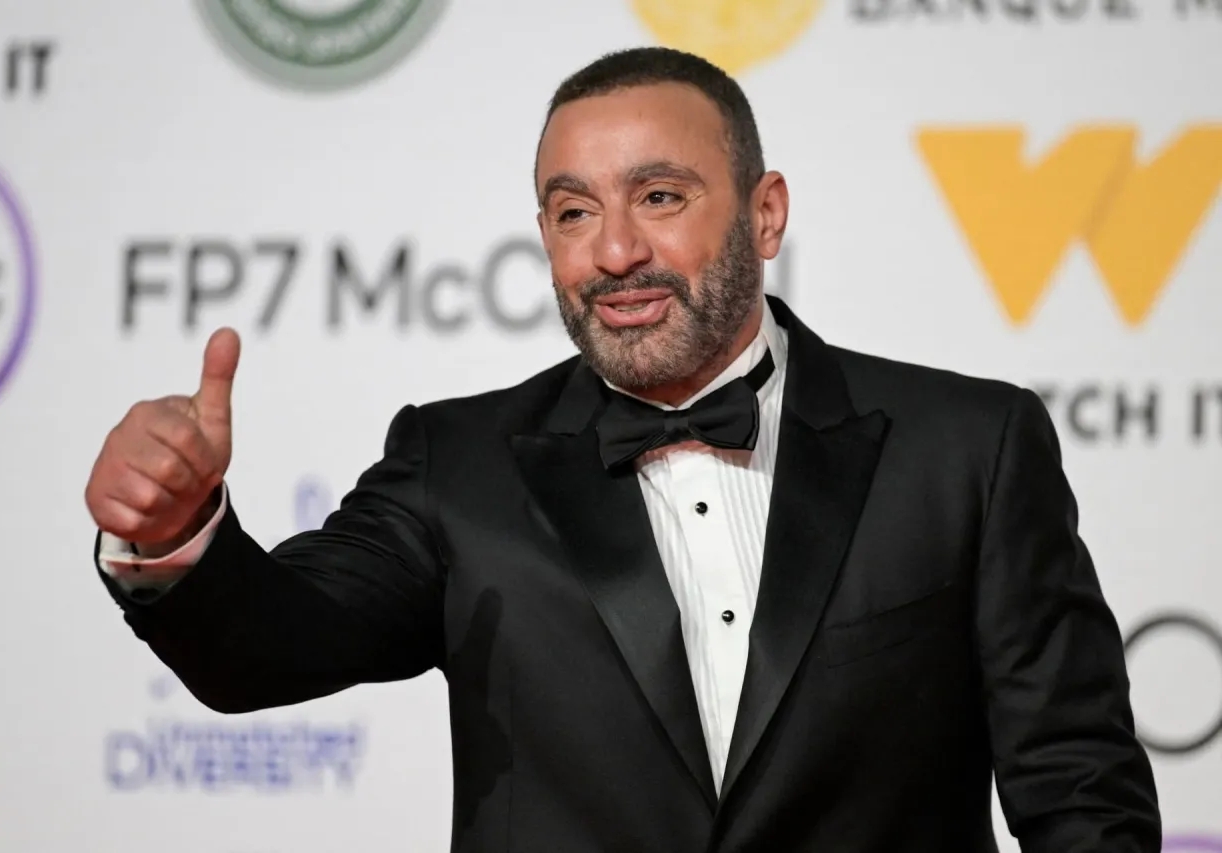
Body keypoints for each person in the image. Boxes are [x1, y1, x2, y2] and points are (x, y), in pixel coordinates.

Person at [85, 46, 1160, 852]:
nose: (612, 250)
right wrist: (178, 537)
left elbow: (1080, 792)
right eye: (571, 212)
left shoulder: (965, 448)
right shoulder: (458, 462)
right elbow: (266, 648)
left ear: (765, 213)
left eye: (659, 197)